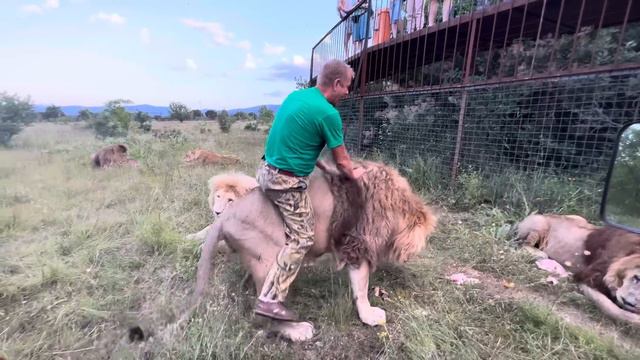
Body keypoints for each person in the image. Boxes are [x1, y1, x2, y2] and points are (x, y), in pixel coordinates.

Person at [254, 59, 367, 321]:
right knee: (303, 237)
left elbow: (299, 142)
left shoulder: (297, 97)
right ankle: (269, 300)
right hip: (285, 183)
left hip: (266, 170)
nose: (348, 93)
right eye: (348, 87)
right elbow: (344, 161)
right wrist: (355, 173)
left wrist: (324, 170)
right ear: (337, 84)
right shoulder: (329, 113)